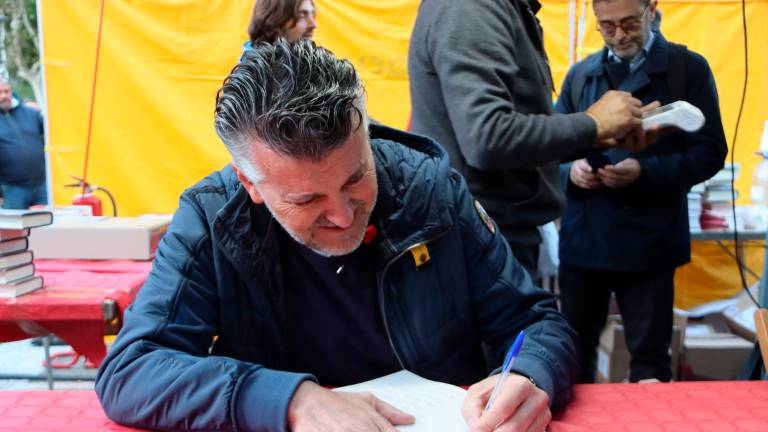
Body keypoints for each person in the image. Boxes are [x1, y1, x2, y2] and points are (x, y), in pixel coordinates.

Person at [95, 39, 578, 432]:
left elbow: (535, 321)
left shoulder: (430, 189)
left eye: (356, 178)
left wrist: (528, 374)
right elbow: (130, 370)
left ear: (366, 138)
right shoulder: (212, 218)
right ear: (250, 184)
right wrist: (289, 400)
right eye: (306, 201)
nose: (344, 217)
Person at [408, 0, 658, 277]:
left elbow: (501, 131)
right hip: (478, 239)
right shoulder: (471, 8)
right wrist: (592, 124)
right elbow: (488, 137)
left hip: (486, 235)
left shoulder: (499, 8)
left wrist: (597, 136)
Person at [555, 0, 727, 383]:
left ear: (651, 9)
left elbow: (711, 151)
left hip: (649, 243)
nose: (618, 36)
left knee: (649, 364)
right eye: (607, 26)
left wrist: (644, 172)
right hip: (585, 243)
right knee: (570, 361)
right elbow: (550, 149)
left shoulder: (686, 69)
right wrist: (571, 171)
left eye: (629, 23)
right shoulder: (582, 75)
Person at [0, 79, 47, 209]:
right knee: (14, 228)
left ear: (11, 92)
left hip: (41, 186)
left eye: (6, 91)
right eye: (0, 92)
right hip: (11, 189)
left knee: (45, 227)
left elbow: (50, 137)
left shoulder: (31, 114)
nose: (4, 96)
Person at [246, 0, 316, 45]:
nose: (313, 25)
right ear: (273, 20)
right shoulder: (252, 67)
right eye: (301, 15)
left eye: (312, 14)